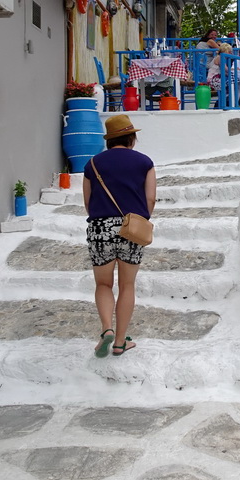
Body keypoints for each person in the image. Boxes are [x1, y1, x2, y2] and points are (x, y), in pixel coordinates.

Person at [83, 114, 156, 358]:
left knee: (103, 284)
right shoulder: (145, 162)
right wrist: (140, 221)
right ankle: (120, 341)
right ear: (131, 138)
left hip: (99, 228)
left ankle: (106, 330)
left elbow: (88, 202)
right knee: (127, 285)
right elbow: (150, 199)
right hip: (131, 228)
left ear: (109, 140)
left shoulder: (92, 164)